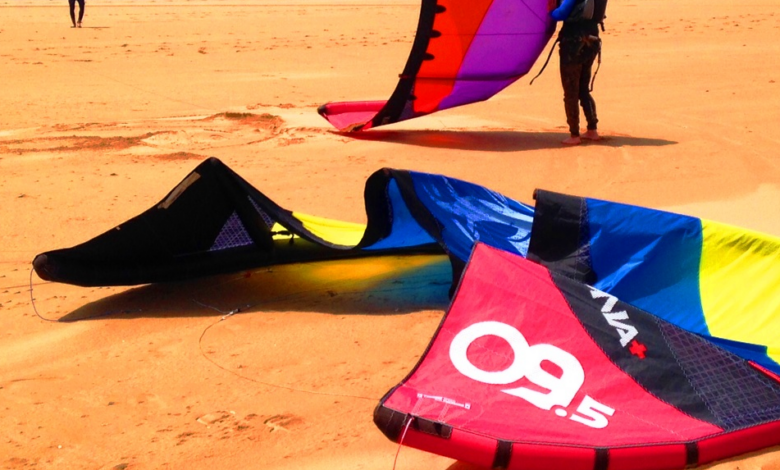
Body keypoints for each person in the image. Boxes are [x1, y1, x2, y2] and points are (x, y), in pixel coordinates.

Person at [550, 0, 606, 145]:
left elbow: (559, 14)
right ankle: (592, 130)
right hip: (592, 41)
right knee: (583, 89)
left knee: (571, 92)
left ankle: (574, 135)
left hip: (573, 44)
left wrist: (548, 12)